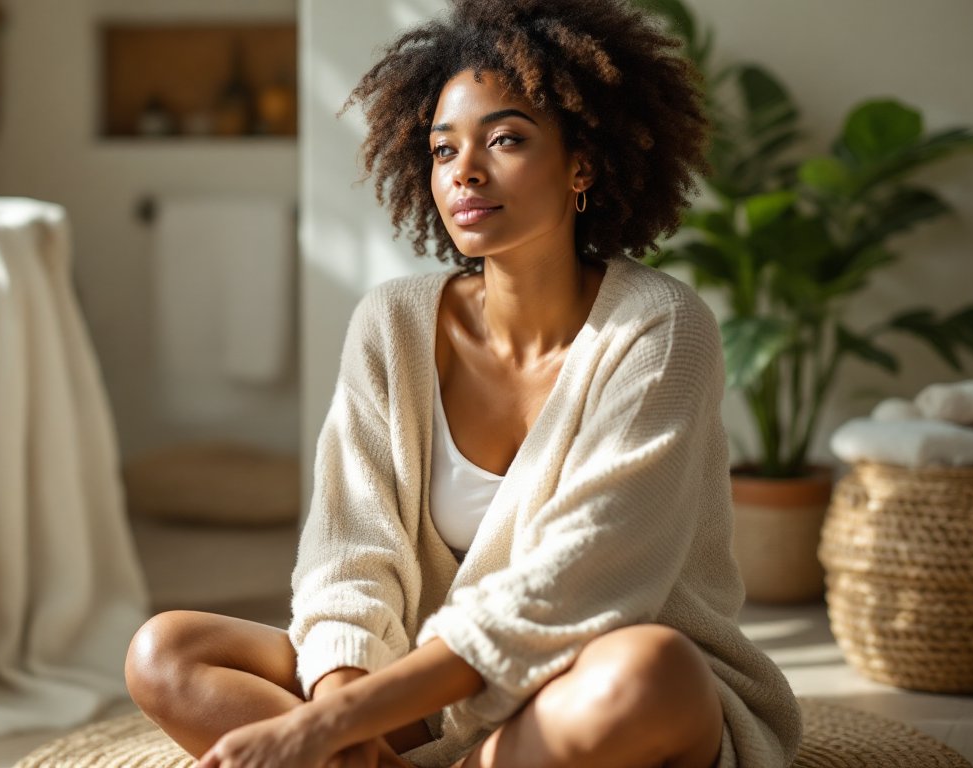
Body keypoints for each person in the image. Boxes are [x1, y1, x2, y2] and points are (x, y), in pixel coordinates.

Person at [124, 0, 802, 766]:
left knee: (652, 671)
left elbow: (572, 591)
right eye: (444, 150)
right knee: (167, 650)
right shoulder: (392, 324)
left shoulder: (660, 330)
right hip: (422, 689)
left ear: (583, 163)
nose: (465, 172)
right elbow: (350, 555)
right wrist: (344, 710)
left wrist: (316, 733)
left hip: (581, 684)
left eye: (506, 139)